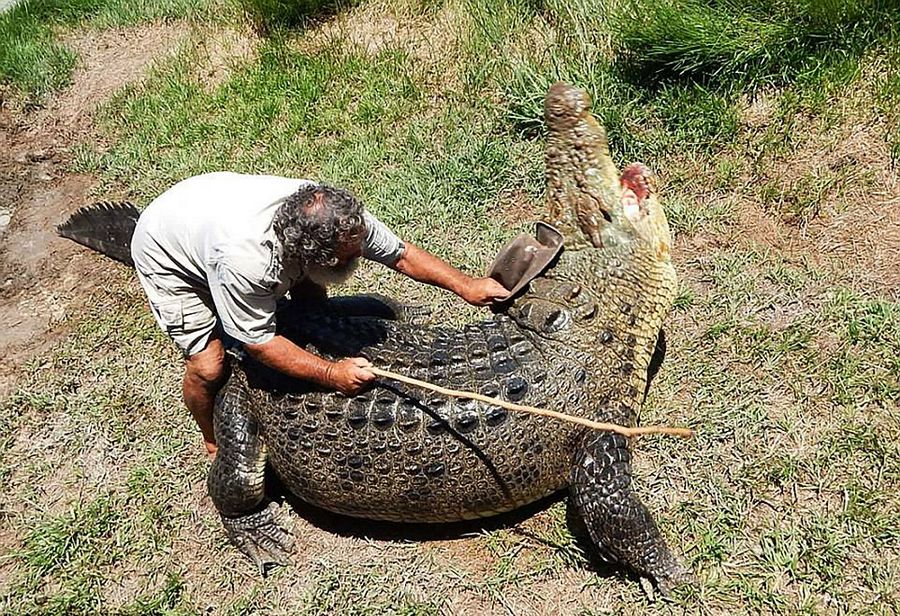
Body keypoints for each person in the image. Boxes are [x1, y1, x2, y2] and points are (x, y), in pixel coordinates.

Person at [130, 172, 510, 457]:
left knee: (311, 308)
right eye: (350, 254)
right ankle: (212, 440)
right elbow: (259, 343)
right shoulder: (246, 262)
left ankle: (298, 306)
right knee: (210, 364)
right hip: (166, 248)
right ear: (311, 257)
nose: (362, 254)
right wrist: (332, 374)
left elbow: (401, 254)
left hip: (204, 200)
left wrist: (466, 285)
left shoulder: (338, 218)